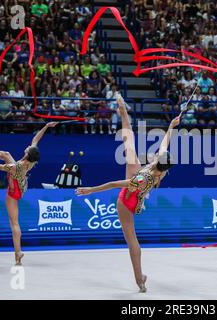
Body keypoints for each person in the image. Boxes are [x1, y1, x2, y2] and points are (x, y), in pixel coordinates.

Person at [76, 95, 181, 293]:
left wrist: (91, 190)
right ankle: (123, 112)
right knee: (129, 144)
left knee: (133, 241)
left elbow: (116, 184)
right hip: (137, 188)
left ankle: (139, 278)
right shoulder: (161, 169)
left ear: (158, 161)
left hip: (127, 201)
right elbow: (165, 144)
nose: (157, 152)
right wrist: (171, 127)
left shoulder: (146, 177)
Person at [0, 122, 58, 265]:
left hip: (14, 191)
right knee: (6, 154)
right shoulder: (32, 159)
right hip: (22, 183)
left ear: (26, 153)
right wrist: (47, 126)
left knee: (14, 223)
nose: (29, 145)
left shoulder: (15, 166)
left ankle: (18, 252)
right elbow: (36, 139)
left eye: (29, 148)